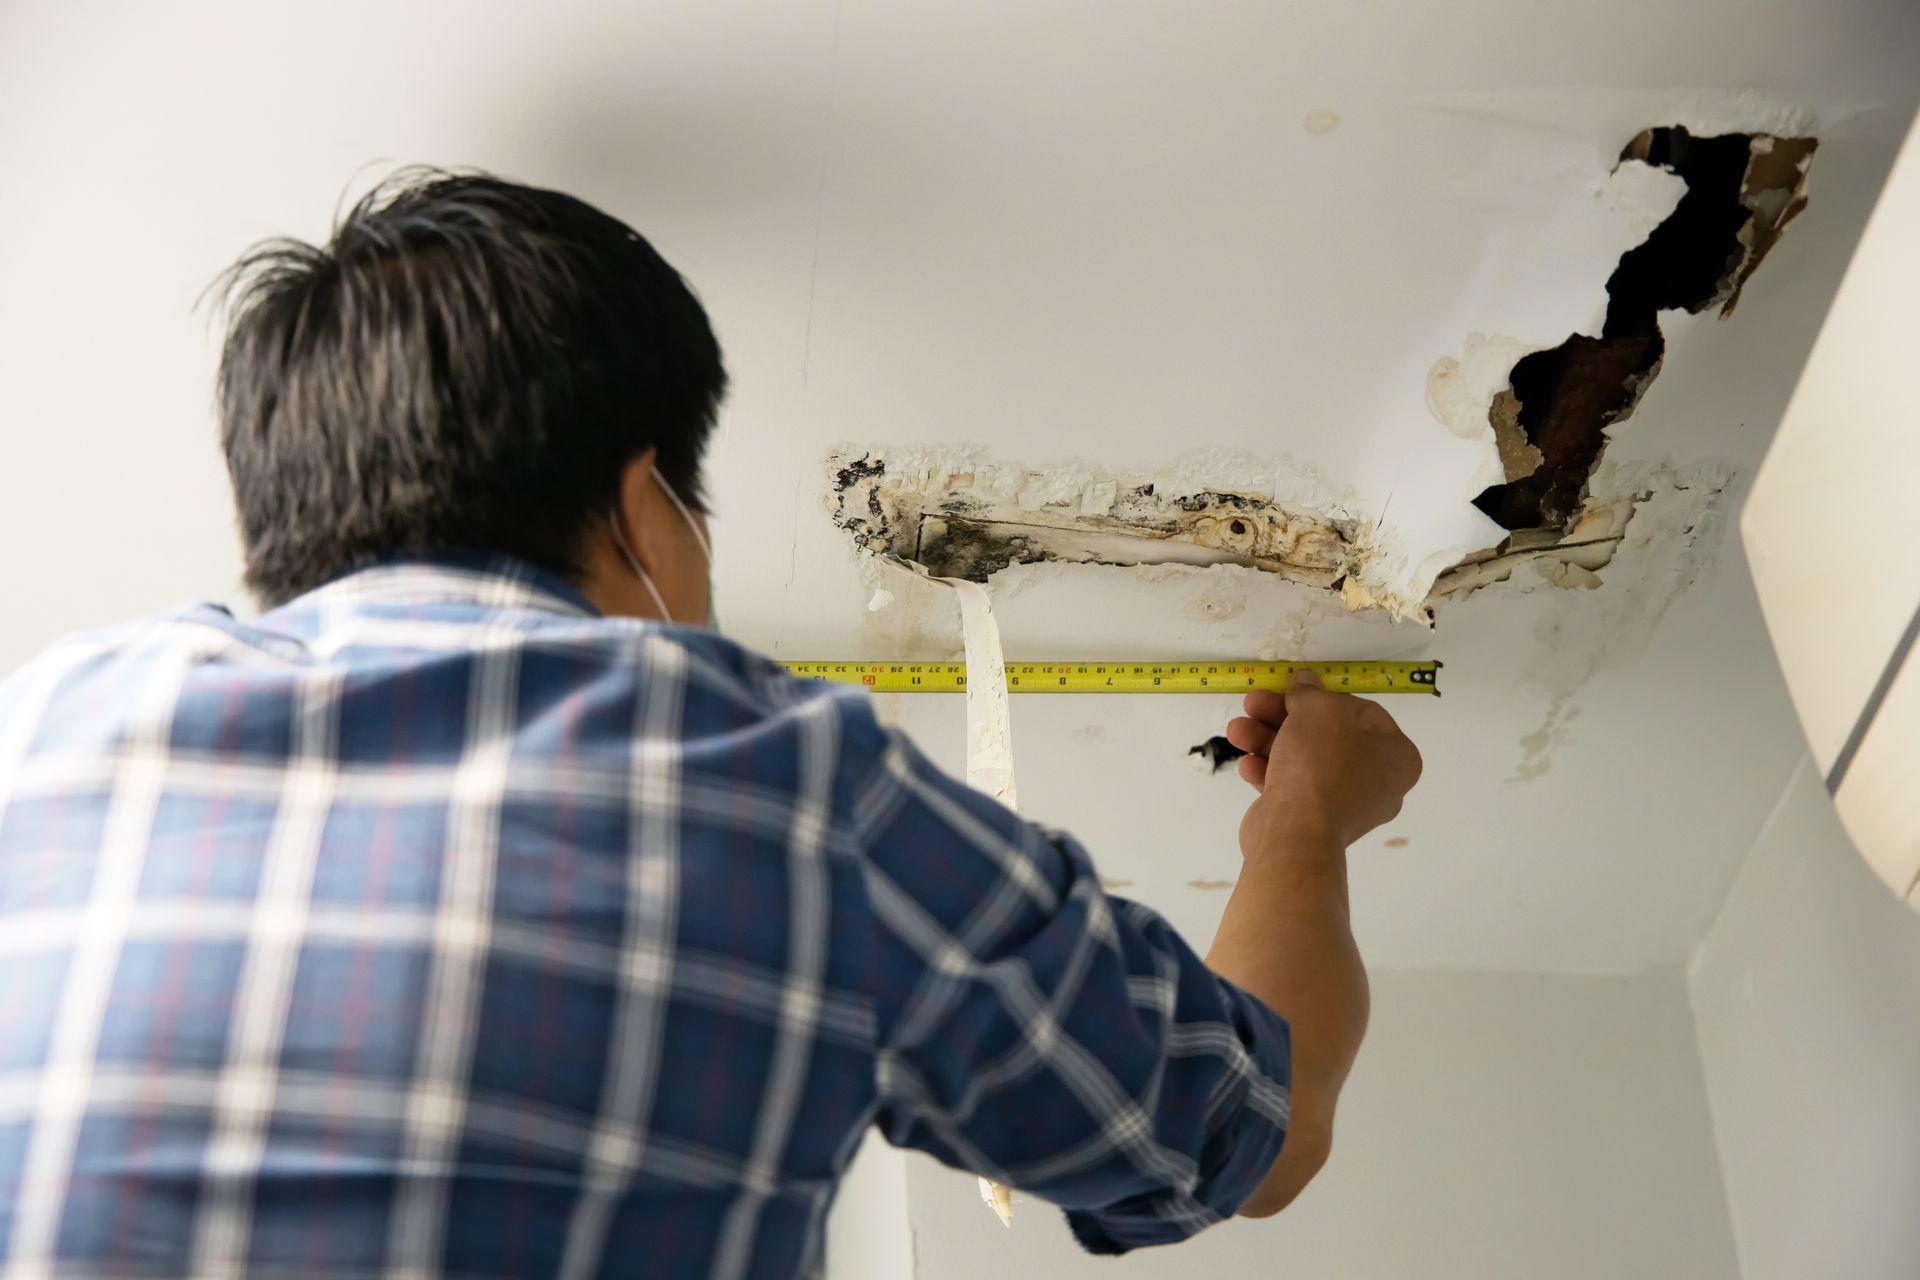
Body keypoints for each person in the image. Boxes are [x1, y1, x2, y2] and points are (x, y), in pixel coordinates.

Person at [0, 172, 1421, 1279]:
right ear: (643, 512)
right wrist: (1307, 817)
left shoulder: (41, 741)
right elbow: (1252, 1131)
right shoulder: (777, 779)